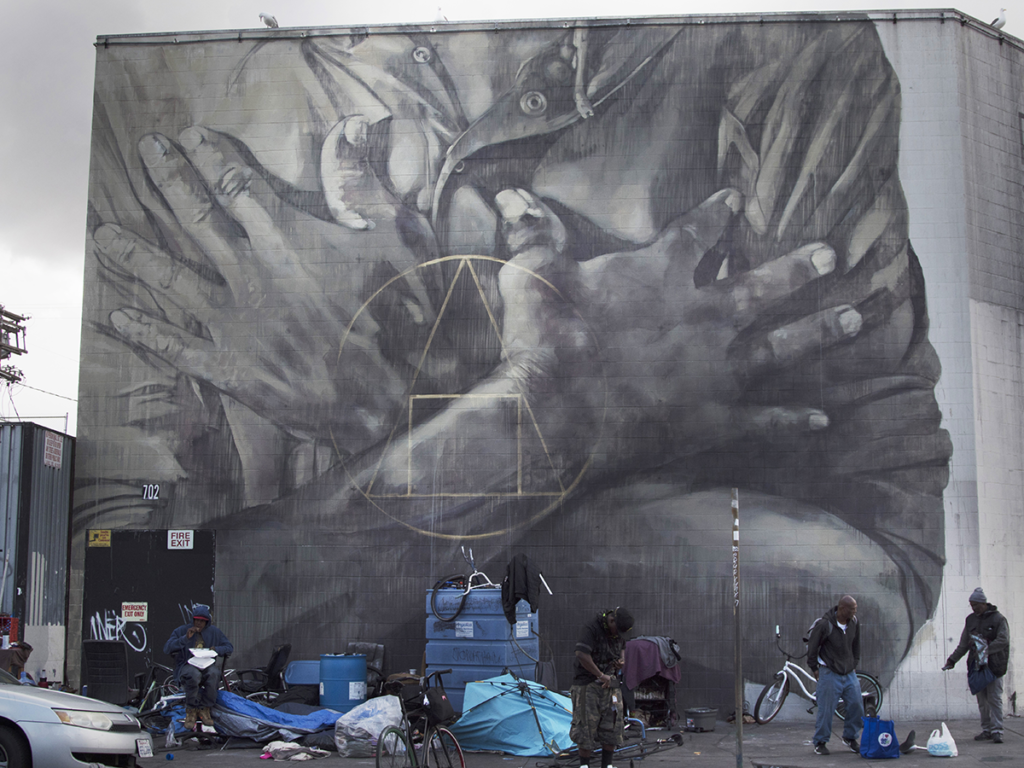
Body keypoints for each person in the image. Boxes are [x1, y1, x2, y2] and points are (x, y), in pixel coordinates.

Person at [79, 18, 951, 691]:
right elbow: (135, 627)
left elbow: (873, 601)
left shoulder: (774, 65)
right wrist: (547, 412)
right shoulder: (160, 116)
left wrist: (406, 427)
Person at [942, 587, 1009, 744]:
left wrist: (985, 650)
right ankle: (986, 729)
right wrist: (952, 660)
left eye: (976, 605)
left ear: (983, 603)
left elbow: (1003, 640)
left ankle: (997, 730)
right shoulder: (970, 620)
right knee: (982, 700)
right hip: (977, 667)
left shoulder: (998, 619)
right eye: (971, 605)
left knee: (994, 698)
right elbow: (963, 644)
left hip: (994, 666)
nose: (973, 608)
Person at [571, 608, 633, 768]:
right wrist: (600, 675)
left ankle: (608, 765)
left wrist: (621, 659)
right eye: (617, 630)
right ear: (611, 621)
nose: (618, 634)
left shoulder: (618, 633)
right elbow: (581, 654)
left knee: (612, 725)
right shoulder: (592, 628)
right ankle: (584, 765)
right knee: (586, 726)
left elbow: (623, 646)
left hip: (610, 682)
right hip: (588, 683)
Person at [806, 595, 863, 756]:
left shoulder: (854, 622)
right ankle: (820, 742)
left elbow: (856, 644)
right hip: (829, 672)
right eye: (852, 609)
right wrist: (814, 668)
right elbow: (813, 647)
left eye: (855, 609)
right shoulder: (825, 624)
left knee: (856, 705)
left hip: (849, 672)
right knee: (826, 709)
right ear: (842, 609)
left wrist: (854, 663)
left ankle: (850, 738)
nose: (854, 612)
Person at [163, 604, 233, 729]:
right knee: (193, 674)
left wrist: (216, 649)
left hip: (206, 663)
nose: (199, 623)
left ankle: (205, 708)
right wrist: (185, 638)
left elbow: (229, 647)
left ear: (207, 622)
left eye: (202, 621)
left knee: (214, 674)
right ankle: (191, 709)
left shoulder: (214, 632)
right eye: (197, 620)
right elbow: (167, 648)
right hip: (187, 664)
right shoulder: (181, 630)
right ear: (193, 619)